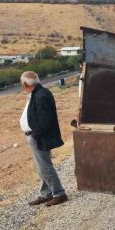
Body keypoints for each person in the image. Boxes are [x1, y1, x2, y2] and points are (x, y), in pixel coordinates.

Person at [20, 71, 67, 206]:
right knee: (41, 167)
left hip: (39, 137)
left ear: (24, 84)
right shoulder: (37, 93)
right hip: (36, 136)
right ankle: (46, 194)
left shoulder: (41, 95)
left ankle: (59, 193)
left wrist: (34, 136)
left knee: (45, 167)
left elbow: (45, 120)